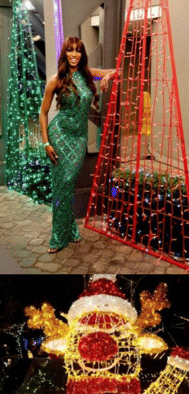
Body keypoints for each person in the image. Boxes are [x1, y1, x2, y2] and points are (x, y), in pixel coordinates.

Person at [40, 37, 116, 254]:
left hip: (79, 138)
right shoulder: (56, 80)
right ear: (65, 54)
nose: (74, 55)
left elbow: (117, 71)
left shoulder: (88, 73)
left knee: (68, 182)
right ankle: (59, 237)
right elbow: (43, 113)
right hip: (59, 134)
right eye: (70, 51)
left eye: (78, 51)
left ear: (82, 54)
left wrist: (107, 76)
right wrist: (46, 142)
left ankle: (71, 229)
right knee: (61, 184)